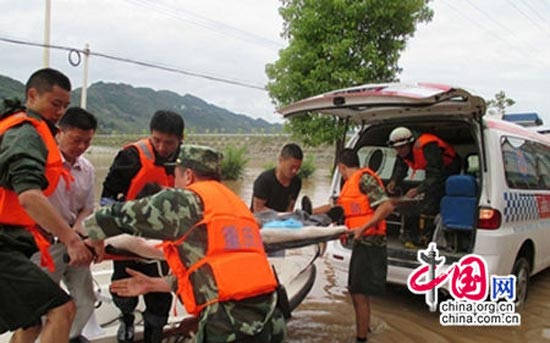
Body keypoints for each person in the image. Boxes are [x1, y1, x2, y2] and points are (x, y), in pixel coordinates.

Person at [86, 144, 286, 343]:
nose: (174, 182)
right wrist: (152, 284)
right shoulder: (234, 204)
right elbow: (213, 268)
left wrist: (93, 237)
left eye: (176, 176)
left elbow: (118, 215)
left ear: (188, 175)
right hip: (271, 314)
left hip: (230, 321)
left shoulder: (186, 200)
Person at [0, 68, 93, 343]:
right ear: (32, 95)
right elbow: (29, 195)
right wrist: (72, 240)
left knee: (31, 323)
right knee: (63, 309)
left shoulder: (31, 131)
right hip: (3, 246)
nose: (60, 112)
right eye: (55, 104)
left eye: (65, 106)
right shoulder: (26, 133)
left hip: (16, 243)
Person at [100, 110, 184, 343]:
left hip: (163, 237)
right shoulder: (130, 157)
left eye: (169, 142)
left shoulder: (185, 163)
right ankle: (126, 318)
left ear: (180, 139)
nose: (162, 147)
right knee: (124, 287)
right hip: (130, 232)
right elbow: (107, 197)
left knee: (160, 297)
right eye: (157, 140)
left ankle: (154, 334)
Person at [29, 107, 100, 343]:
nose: (81, 147)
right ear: (59, 132)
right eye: (76, 140)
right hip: (46, 245)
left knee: (85, 299)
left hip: (76, 243)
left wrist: (79, 231)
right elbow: (30, 202)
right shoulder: (39, 164)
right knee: (40, 305)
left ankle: (69, 337)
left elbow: (87, 208)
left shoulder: (87, 169)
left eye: (87, 141)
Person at [314, 149, 394, 343]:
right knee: (360, 291)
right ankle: (366, 329)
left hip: (370, 243)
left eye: (340, 170)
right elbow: (336, 206)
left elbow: (386, 206)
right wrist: (306, 213)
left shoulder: (364, 179)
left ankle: (361, 339)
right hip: (362, 243)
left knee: (358, 292)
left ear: (341, 166)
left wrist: (362, 228)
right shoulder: (351, 184)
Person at [386, 127, 461, 248]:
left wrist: (418, 189)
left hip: (448, 169)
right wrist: (394, 181)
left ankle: (428, 237)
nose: (399, 151)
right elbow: (400, 167)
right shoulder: (402, 152)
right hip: (433, 172)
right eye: (396, 148)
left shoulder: (427, 146)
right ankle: (411, 236)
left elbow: (436, 174)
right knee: (417, 200)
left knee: (432, 198)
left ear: (409, 143)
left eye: (401, 147)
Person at [251, 143, 303, 213]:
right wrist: (279, 215)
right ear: (281, 160)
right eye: (292, 167)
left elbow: (290, 209)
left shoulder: (297, 182)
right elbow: (258, 209)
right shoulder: (264, 180)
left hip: (282, 220)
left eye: (298, 168)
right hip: (260, 219)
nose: (294, 171)